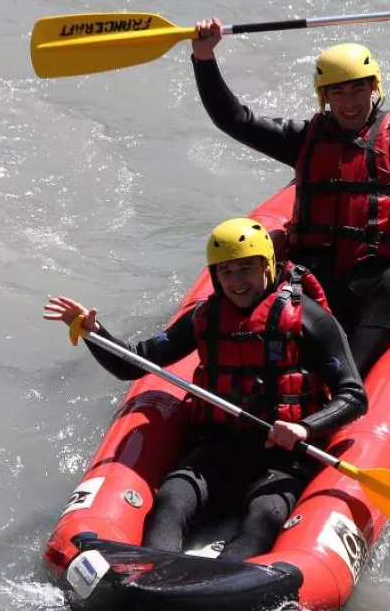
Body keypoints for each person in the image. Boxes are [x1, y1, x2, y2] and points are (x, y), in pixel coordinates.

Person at [187, 0, 390, 376]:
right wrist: (204, 59)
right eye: (337, 93)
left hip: (369, 285)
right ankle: (265, 372)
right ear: (324, 97)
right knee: (272, 274)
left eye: (357, 90)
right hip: (310, 279)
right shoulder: (304, 138)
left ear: (374, 88)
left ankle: (349, 382)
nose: (349, 103)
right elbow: (234, 120)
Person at [43, 218, 367, 561]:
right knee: (171, 497)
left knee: (264, 516)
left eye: (246, 269)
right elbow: (133, 363)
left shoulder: (309, 319)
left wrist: (305, 427)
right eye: (226, 272)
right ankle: (152, 576)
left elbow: (354, 396)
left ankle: (226, 587)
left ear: (267, 266)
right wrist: (93, 332)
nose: (237, 281)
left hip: (282, 460)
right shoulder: (204, 317)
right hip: (218, 449)